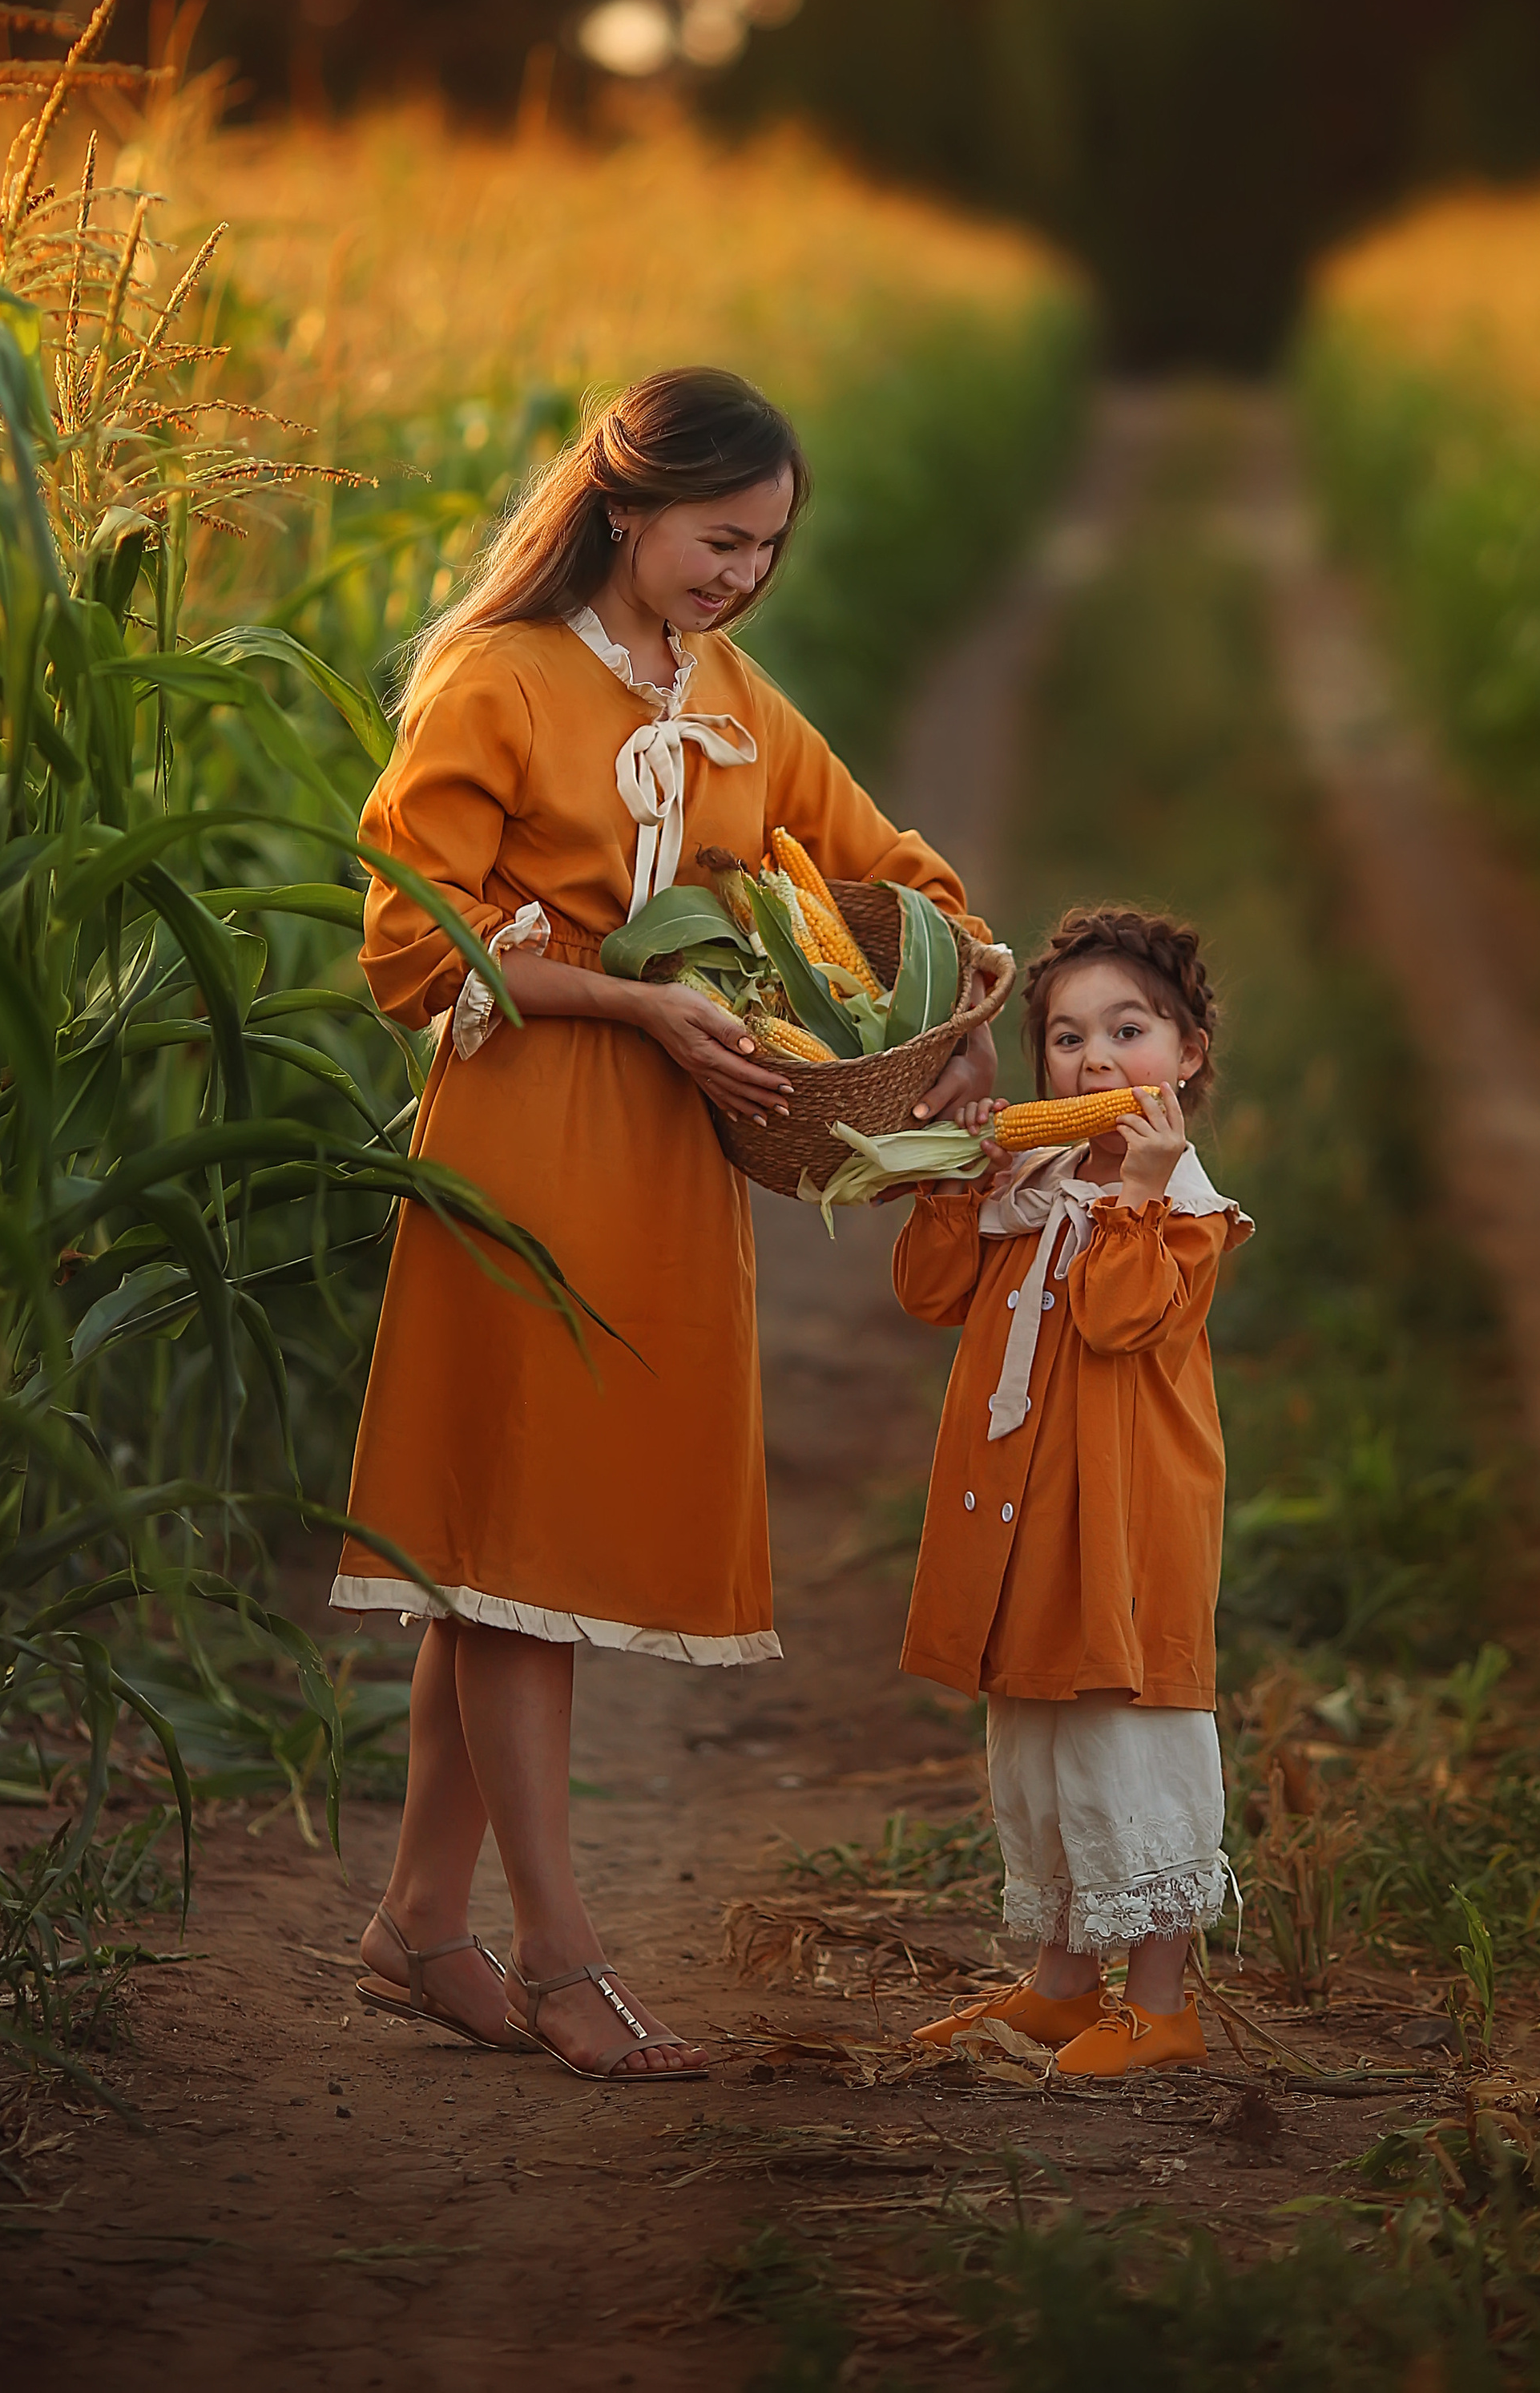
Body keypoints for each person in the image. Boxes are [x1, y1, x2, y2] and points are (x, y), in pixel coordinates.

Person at [333, 367, 996, 2082]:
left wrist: (952, 980)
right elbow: (411, 951)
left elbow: (884, 865)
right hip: (525, 1129)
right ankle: (560, 1957)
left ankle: (416, 1921)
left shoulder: (724, 694)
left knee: (510, 1556)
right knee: (518, 1558)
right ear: (625, 509)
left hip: (664, 1162)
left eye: (769, 549)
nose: (741, 578)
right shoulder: (499, 679)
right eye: (720, 540)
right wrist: (630, 1006)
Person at [893, 904, 1251, 2083]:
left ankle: (1161, 2004)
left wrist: (1138, 1192)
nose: (1095, 1062)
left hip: (1125, 1533)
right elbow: (929, 1289)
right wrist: (959, 1171)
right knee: (1039, 1743)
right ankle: (1060, 1984)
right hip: (1020, 1527)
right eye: (1064, 1038)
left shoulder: (1187, 1212)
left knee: (1123, 1744)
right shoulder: (1029, 1185)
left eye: (1130, 1031)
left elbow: (1116, 1315)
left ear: (1189, 1055)